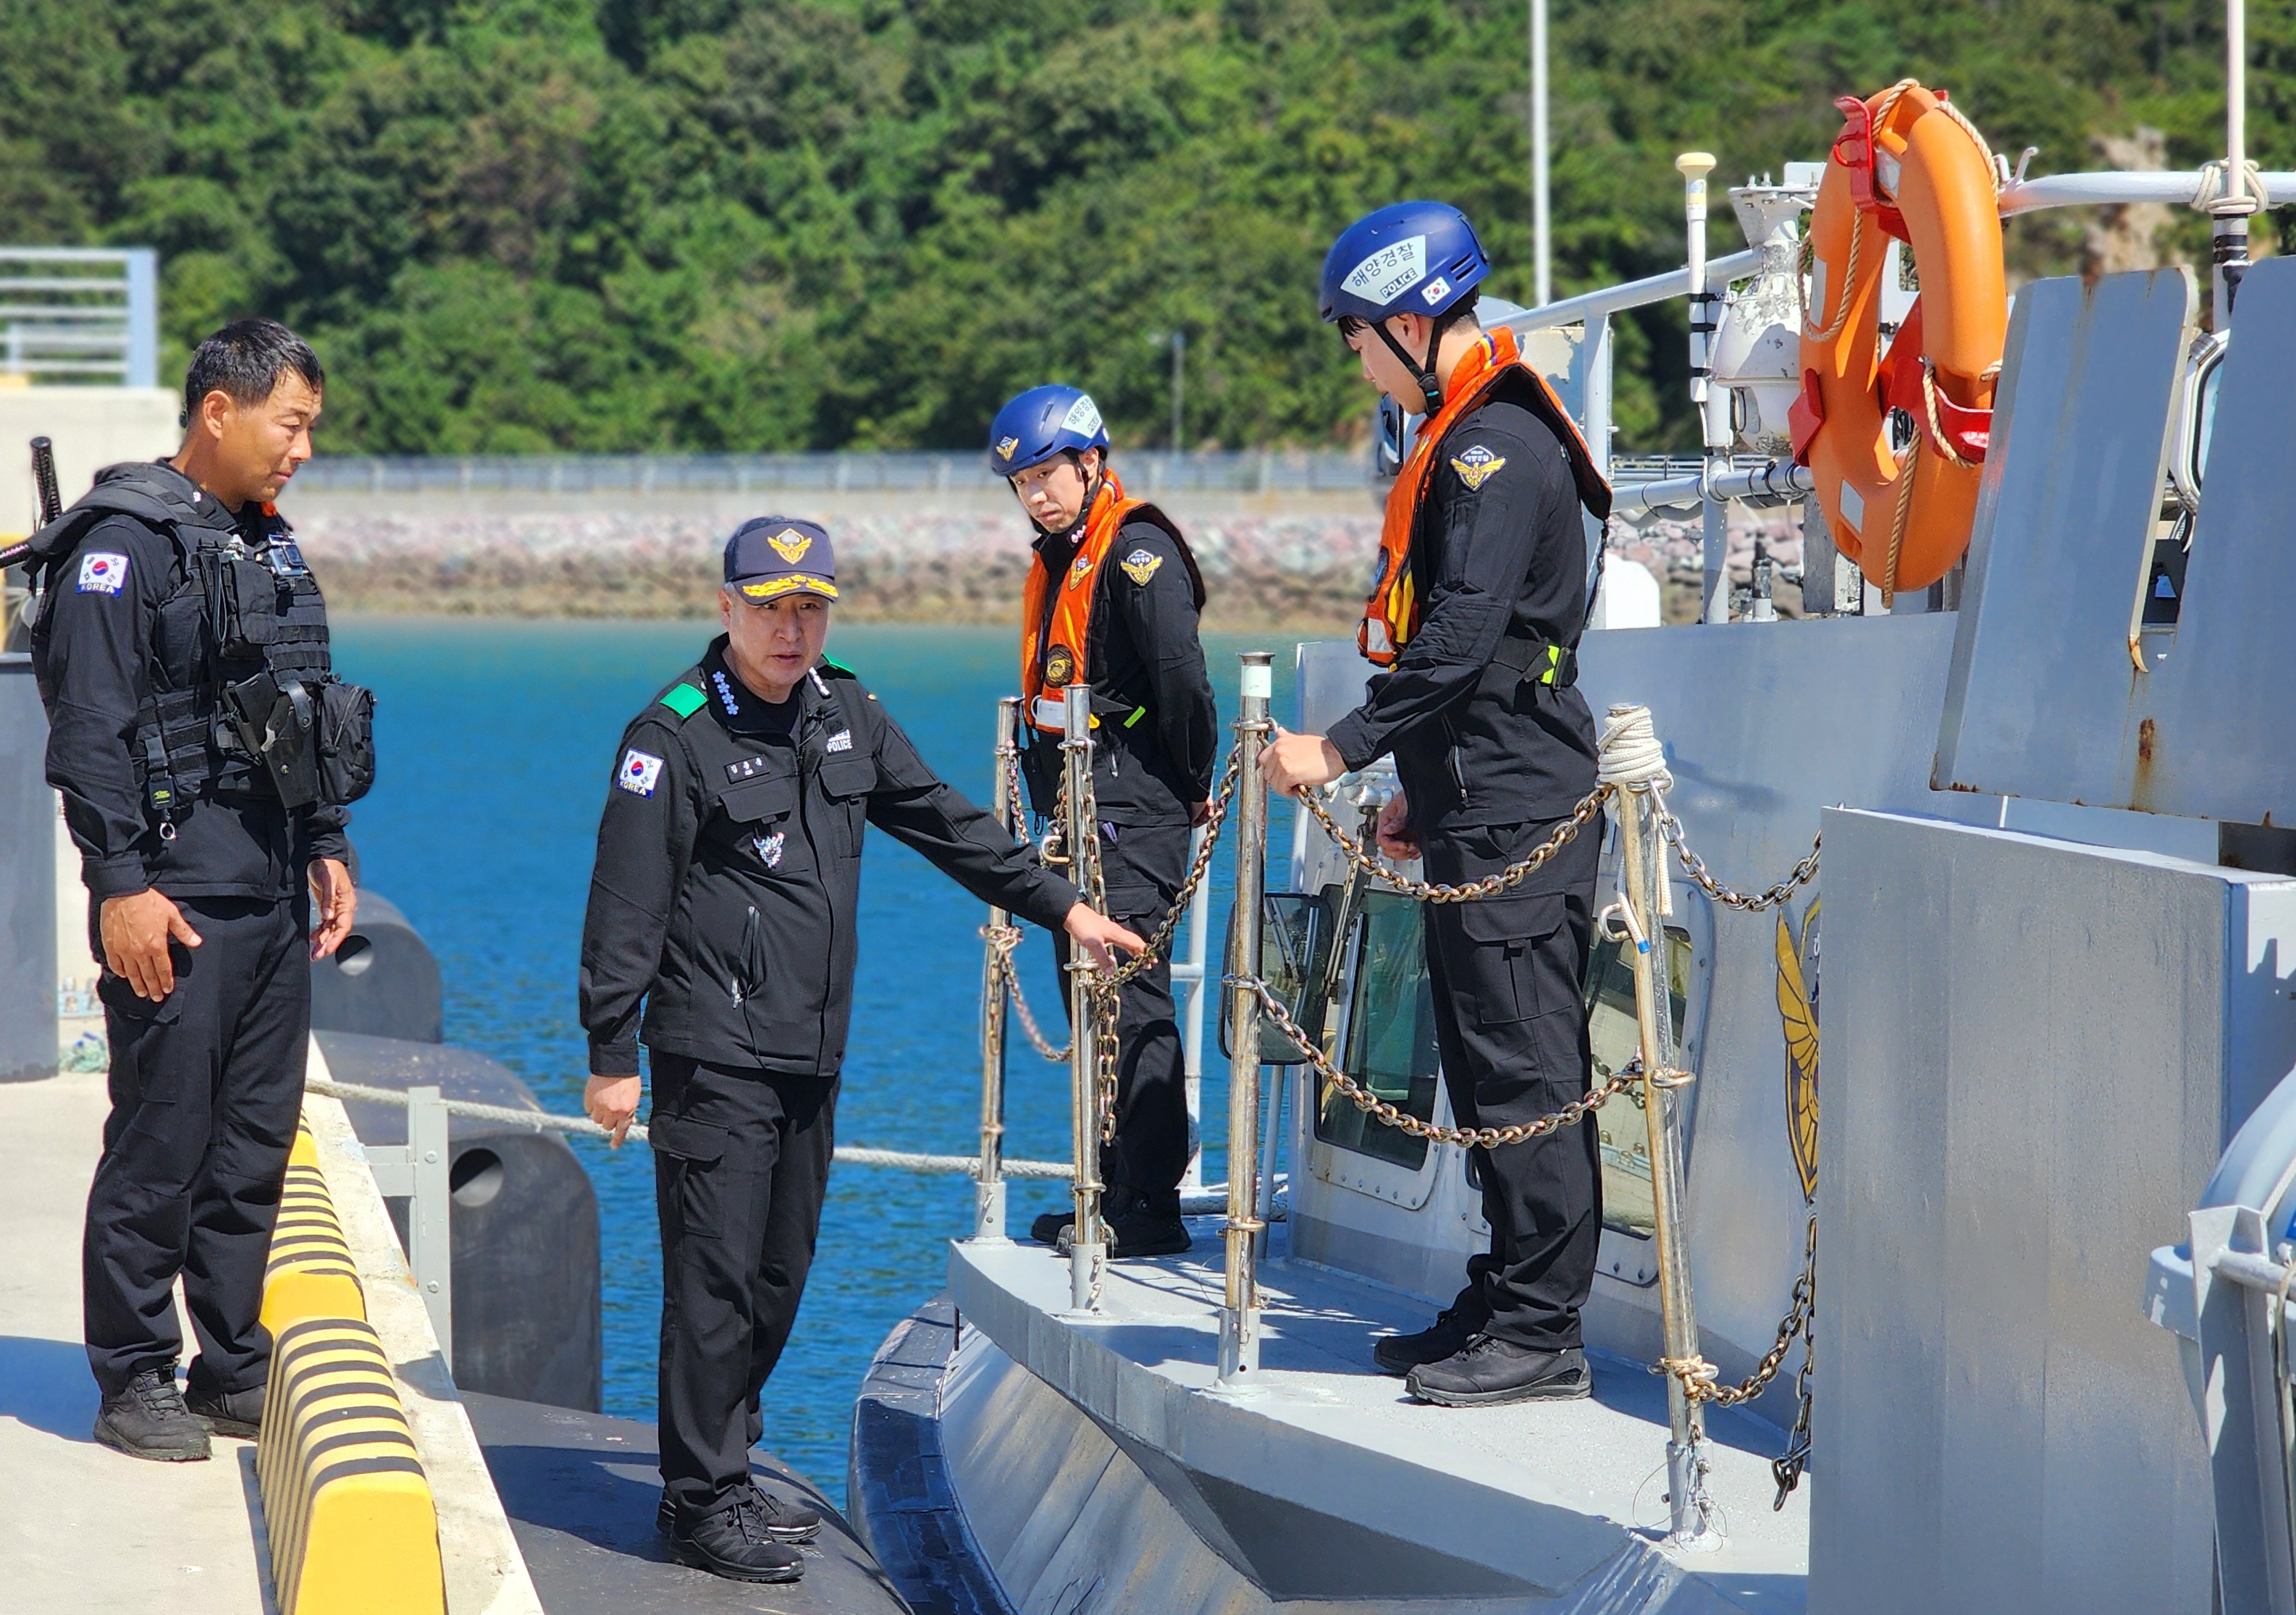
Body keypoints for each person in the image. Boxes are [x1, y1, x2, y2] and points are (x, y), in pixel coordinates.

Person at [578, 517, 1142, 1583]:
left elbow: (944, 820)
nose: (792, 630)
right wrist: (612, 1054)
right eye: (771, 607)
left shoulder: (845, 710)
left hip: (811, 1052)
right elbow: (625, 904)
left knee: (781, 1272)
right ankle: (697, 1499)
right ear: (726, 610)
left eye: (811, 608)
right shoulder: (674, 735)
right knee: (715, 1280)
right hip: (713, 1051)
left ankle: (727, 1469)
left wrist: (1062, 907)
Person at [1261, 201, 1615, 1409]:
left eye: (1357, 336)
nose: (1355, 359)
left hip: (1520, 801)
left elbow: (1460, 642)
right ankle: (1509, 1285)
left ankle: (1541, 1329)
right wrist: (1416, 788)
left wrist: (1340, 750)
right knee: (1482, 1066)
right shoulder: (1466, 437)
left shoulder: (1494, 449)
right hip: (1475, 796)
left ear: (1414, 324)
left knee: (1527, 1074)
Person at [27, 319, 369, 1461]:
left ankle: (231, 1363)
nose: (303, 450)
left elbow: (300, 707)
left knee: (253, 1143)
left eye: (312, 428)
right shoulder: (122, 545)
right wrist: (119, 885)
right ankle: (132, 1372)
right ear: (218, 410)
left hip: (269, 890)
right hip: (171, 896)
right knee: (163, 1140)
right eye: (292, 423)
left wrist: (326, 839)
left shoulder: (263, 544)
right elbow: (88, 734)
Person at [985, 384, 1216, 1257]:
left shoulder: (1136, 553)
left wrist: (1192, 784)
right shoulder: (1062, 553)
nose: (1038, 492)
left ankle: (1148, 1201)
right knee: (1089, 999)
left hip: (1132, 801)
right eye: (1022, 480)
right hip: (1071, 802)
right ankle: (1108, 1182)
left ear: (1091, 463)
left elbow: (1183, 683)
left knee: (1131, 992)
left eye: (1050, 471)